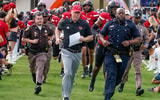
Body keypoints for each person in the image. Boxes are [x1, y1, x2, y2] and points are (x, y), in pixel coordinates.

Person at [99, 8, 141, 100]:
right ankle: (107, 96)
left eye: (123, 13)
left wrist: (129, 42)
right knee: (111, 73)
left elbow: (138, 38)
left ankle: (111, 89)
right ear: (116, 14)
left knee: (119, 76)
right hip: (111, 53)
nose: (121, 15)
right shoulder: (110, 23)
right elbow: (101, 34)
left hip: (124, 54)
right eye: (119, 13)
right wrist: (103, 41)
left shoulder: (130, 25)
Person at [55, 5, 93, 100]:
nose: (76, 15)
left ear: (80, 13)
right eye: (75, 12)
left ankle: (68, 91)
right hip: (66, 51)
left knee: (72, 75)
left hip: (78, 52)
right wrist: (57, 38)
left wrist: (83, 38)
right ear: (71, 12)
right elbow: (57, 29)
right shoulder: (65, 21)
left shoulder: (84, 23)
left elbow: (91, 37)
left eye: (78, 13)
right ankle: (65, 96)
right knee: (67, 73)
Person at [89, 0, 120, 92]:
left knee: (110, 68)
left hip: (114, 47)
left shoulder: (120, 19)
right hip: (102, 45)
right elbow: (93, 29)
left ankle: (107, 87)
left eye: (116, 9)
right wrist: (99, 36)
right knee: (97, 66)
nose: (115, 11)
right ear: (110, 9)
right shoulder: (104, 16)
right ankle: (92, 80)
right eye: (114, 9)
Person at [118, 9, 149, 96]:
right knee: (126, 69)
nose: (137, 19)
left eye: (139, 18)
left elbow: (146, 39)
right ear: (133, 17)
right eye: (136, 17)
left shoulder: (143, 29)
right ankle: (122, 83)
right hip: (128, 50)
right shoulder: (127, 26)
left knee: (138, 70)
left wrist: (145, 45)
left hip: (137, 50)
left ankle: (138, 88)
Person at [22, 12, 53, 94]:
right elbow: (23, 39)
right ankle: (33, 75)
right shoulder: (30, 29)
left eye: (41, 18)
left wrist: (50, 40)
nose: (40, 20)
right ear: (35, 20)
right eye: (38, 19)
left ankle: (38, 84)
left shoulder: (47, 28)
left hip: (42, 52)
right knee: (32, 68)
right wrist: (31, 41)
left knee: (40, 65)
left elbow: (52, 35)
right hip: (32, 52)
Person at [81, 0, 99, 78]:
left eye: (88, 6)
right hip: (83, 35)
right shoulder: (81, 14)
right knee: (83, 53)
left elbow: (97, 26)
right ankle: (85, 69)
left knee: (91, 53)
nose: (87, 7)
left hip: (91, 35)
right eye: (85, 6)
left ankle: (91, 68)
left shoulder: (94, 14)